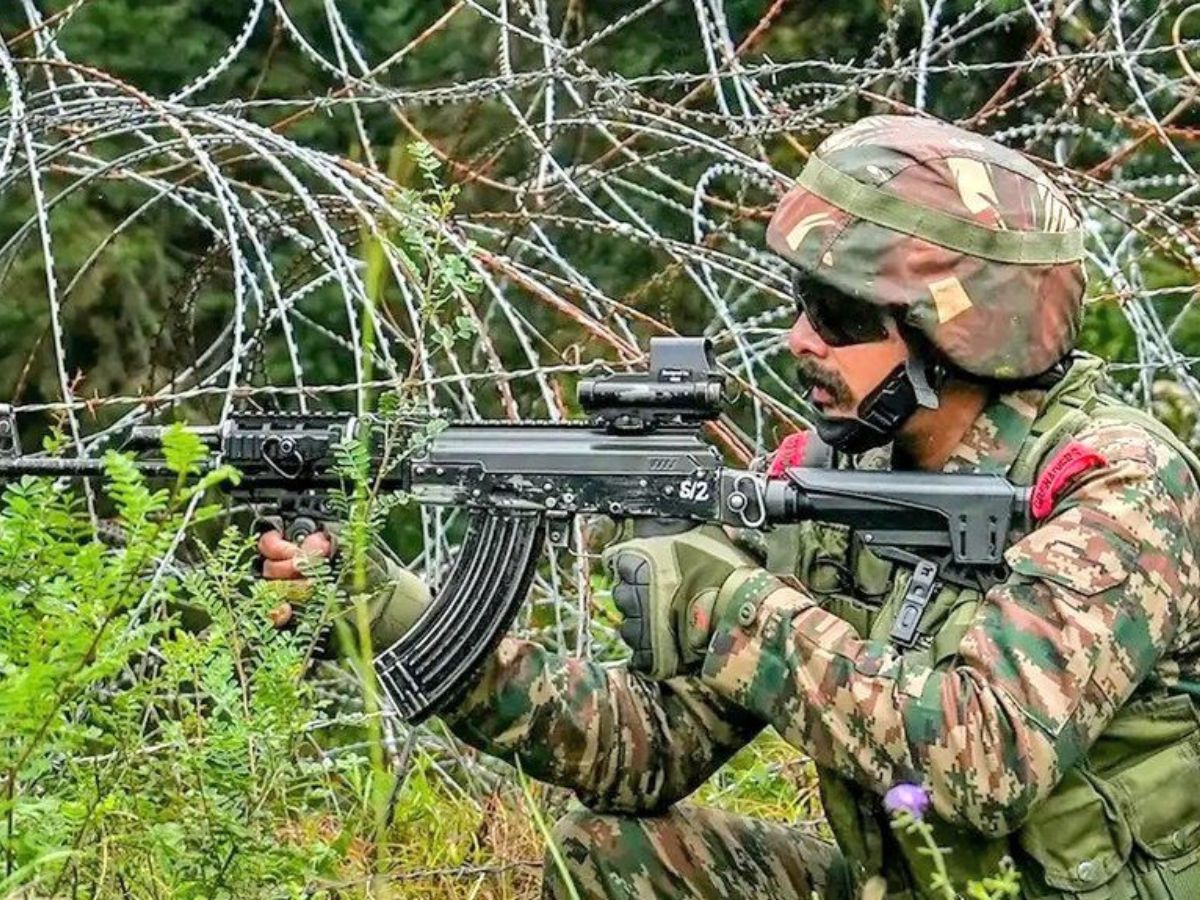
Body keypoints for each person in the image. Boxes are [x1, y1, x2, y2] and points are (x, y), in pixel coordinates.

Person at [259, 115, 1200, 899]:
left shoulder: (1115, 484)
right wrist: (393, 614)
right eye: (802, 302)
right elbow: (646, 750)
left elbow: (984, 762)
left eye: (838, 315)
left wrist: (731, 605)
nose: (800, 340)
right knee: (614, 855)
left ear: (957, 333)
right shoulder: (836, 477)